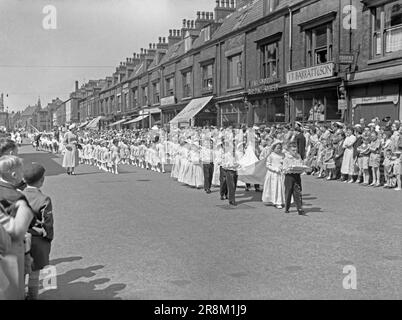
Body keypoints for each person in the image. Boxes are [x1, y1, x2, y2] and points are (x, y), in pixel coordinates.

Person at [0, 155, 34, 300]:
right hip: (11, 250)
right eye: (21, 172)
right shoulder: (16, 196)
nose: (23, 175)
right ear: (14, 175)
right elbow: (19, 230)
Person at [22, 163, 54, 300]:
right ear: (41, 181)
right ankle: (32, 297)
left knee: (20, 273)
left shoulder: (17, 196)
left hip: (20, 240)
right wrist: (48, 237)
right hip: (37, 240)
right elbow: (48, 223)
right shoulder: (44, 199)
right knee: (34, 275)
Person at [282, 142, 306, 215]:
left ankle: (299, 208)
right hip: (289, 176)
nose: (295, 152)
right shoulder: (286, 158)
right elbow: (284, 169)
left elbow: (301, 164)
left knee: (298, 192)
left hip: (297, 175)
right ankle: (287, 207)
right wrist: (289, 168)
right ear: (289, 150)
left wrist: (302, 168)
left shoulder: (298, 156)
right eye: (293, 150)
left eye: (296, 150)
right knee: (288, 192)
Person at [262, 141, 285, 209]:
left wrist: (283, 166)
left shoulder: (283, 155)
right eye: (277, 148)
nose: (279, 150)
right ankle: (274, 201)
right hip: (273, 174)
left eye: (280, 148)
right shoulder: (271, 155)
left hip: (281, 173)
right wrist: (275, 169)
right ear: (274, 148)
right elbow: (268, 165)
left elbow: (285, 162)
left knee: (280, 187)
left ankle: (280, 200)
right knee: (274, 187)